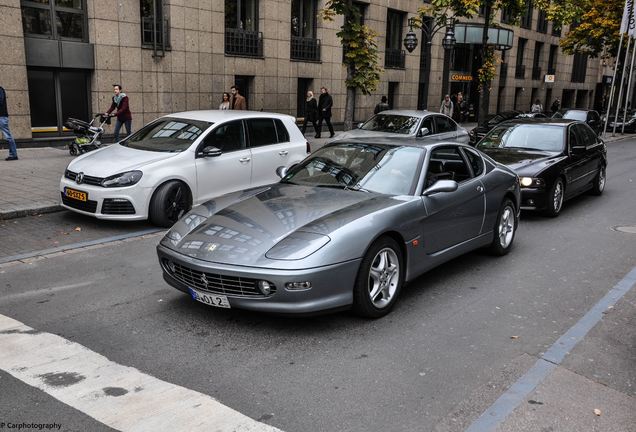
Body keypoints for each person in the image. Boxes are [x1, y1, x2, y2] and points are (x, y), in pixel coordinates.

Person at [0, 85, 18, 161]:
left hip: (1, 116)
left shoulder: (0, 89)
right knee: (8, 136)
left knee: (8, 136)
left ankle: (13, 155)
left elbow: (0, 100)